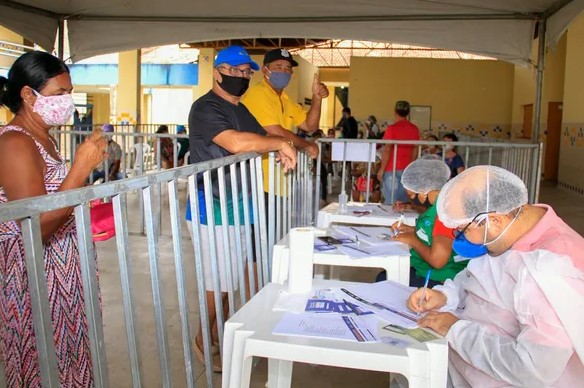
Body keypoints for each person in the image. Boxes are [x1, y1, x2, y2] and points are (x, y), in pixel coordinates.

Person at [407, 165, 584, 387]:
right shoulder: (513, 227)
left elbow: (532, 368)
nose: (460, 238)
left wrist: (455, 330)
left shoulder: (550, 268)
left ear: (493, 221)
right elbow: (479, 276)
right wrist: (446, 296)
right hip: (460, 365)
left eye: (461, 230)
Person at [186, 45, 296, 372]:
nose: (241, 76)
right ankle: (204, 337)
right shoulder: (205, 107)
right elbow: (235, 142)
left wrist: (277, 144)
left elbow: (259, 135)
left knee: (230, 279)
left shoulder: (241, 108)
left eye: (246, 72)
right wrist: (280, 144)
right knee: (216, 281)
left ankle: (215, 332)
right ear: (217, 72)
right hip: (213, 203)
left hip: (239, 202)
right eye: (234, 71)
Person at [0, 51, 107, 387]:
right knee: (42, 365)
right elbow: (36, 227)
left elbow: (56, 196)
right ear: (28, 95)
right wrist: (81, 168)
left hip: (61, 272)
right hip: (34, 276)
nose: (67, 101)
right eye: (59, 93)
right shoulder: (16, 142)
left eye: (69, 92)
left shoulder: (42, 136)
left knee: (71, 361)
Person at [241, 47, 328, 198]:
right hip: (260, 182)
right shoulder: (257, 94)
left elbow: (310, 125)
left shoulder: (285, 100)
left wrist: (317, 97)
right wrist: (308, 146)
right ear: (265, 70)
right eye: (278, 67)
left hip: (279, 179)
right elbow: (275, 131)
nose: (283, 72)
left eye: (288, 69)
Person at [376, 159, 466, 286]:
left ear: (423, 194)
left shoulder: (445, 214)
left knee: (384, 280)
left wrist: (413, 240)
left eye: (412, 195)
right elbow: (437, 234)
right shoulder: (440, 204)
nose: (411, 200)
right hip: (427, 269)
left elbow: (437, 261)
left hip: (441, 279)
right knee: (385, 276)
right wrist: (412, 230)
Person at [377, 100, 420, 204]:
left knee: (391, 202)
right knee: (404, 202)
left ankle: (392, 221)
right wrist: (410, 166)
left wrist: (381, 169)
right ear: (408, 113)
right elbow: (415, 149)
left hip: (391, 169)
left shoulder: (392, 129)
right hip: (406, 170)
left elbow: (387, 150)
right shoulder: (414, 129)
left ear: (395, 111)